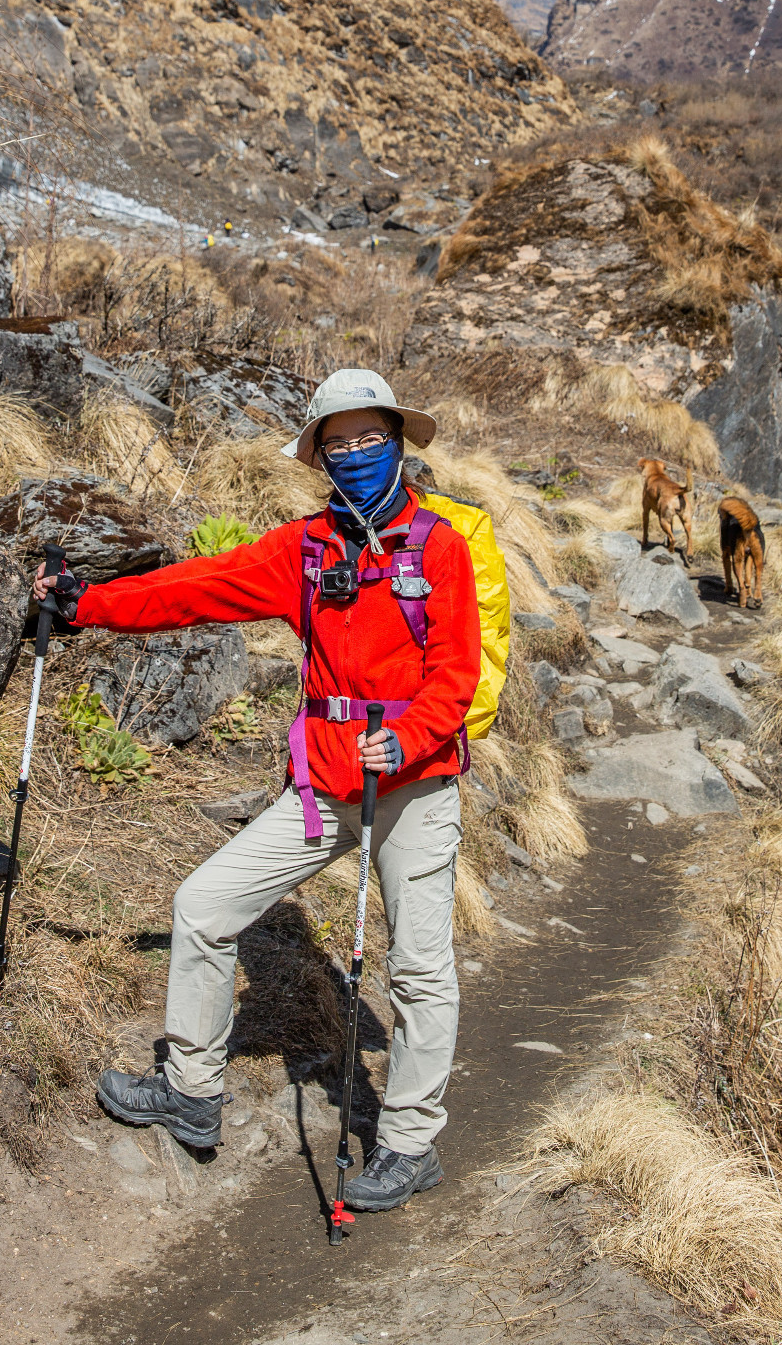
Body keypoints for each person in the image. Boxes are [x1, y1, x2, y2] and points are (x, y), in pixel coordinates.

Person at [33, 368, 479, 1210]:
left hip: (414, 789)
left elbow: (456, 675)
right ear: (318, 455)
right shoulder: (300, 551)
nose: (354, 455)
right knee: (204, 905)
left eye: (368, 439)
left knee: (419, 972)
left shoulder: (441, 547)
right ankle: (193, 1093)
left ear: (395, 442)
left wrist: (410, 735)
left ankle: (411, 1141)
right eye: (336, 443)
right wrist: (85, 603)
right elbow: (193, 588)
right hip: (323, 787)